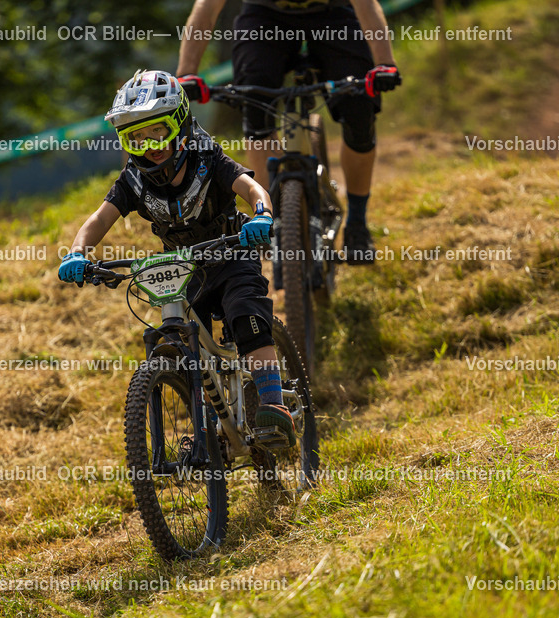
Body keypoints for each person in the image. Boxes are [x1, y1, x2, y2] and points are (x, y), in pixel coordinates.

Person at [58, 69, 296, 445]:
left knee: (246, 314)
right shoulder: (132, 180)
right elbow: (99, 219)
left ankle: (273, 403)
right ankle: (205, 428)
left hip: (232, 252)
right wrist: (77, 253)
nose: (148, 145)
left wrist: (262, 214)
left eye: (157, 131)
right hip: (185, 269)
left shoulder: (207, 158)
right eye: (135, 137)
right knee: (185, 350)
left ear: (181, 126)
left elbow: (251, 187)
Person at [176, 0, 401, 264]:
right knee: (254, 103)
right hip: (265, 16)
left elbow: (365, 3)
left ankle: (357, 223)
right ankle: (275, 217)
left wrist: (385, 63)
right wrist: (186, 73)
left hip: (334, 15)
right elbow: (208, 7)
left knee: (359, 112)